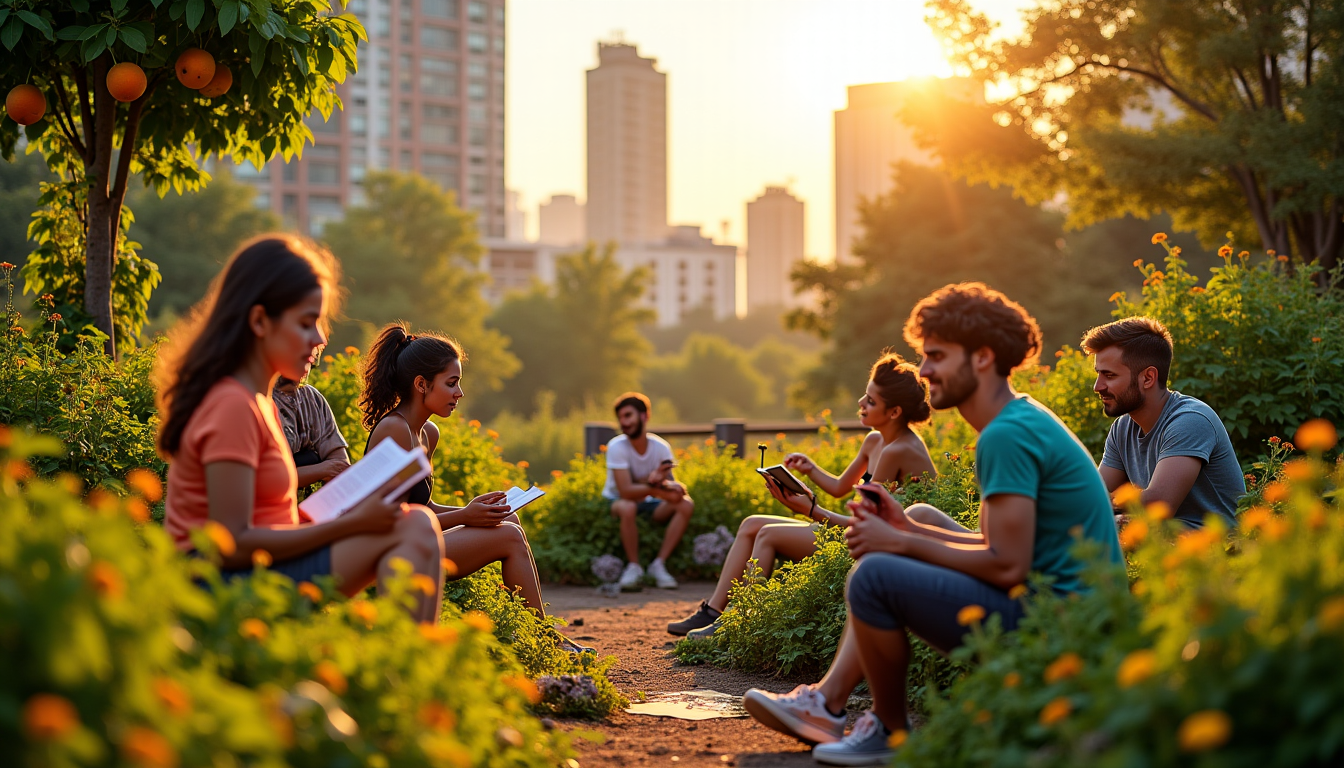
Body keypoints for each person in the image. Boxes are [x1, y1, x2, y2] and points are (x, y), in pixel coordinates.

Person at [746, 283, 1123, 766]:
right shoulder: (1017, 418)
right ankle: (827, 703)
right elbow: (1004, 550)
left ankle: (887, 730)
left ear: (982, 357)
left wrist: (897, 542)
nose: (924, 371)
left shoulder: (1005, 436)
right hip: (1056, 604)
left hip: (1063, 630)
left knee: (873, 577)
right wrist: (906, 529)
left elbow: (1006, 566)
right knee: (919, 515)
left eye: (937, 356)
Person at [156, 235, 444, 624]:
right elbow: (233, 542)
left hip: (263, 566)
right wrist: (350, 523)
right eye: (307, 323)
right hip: (222, 586)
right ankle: (402, 673)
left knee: (416, 523)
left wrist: (337, 512)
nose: (321, 338)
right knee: (415, 529)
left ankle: (408, 668)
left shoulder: (258, 402)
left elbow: (268, 520)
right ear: (259, 321)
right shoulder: (232, 406)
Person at [668, 352, 936, 638]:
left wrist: (811, 510)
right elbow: (839, 487)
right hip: (859, 532)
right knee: (751, 524)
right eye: (864, 395)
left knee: (768, 534)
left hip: (875, 545)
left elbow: (869, 527)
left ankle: (734, 625)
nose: (860, 404)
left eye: (871, 401)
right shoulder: (876, 441)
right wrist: (810, 470)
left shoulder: (899, 450)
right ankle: (713, 612)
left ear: (894, 412)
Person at [360, 323, 591, 653]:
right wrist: (467, 515)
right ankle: (544, 642)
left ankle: (529, 632)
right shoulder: (394, 431)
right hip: (388, 554)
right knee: (508, 536)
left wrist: (476, 511)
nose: (459, 394)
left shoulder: (427, 434)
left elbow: (421, 507)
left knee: (508, 521)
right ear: (421, 384)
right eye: (451, 383)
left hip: (415, 540)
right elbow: (392, 519)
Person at [1082, 317, 1244, 529]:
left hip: (1218, 549)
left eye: (1109, 375)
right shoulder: (1122, 429)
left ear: (1148, 378)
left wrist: (1100, 506)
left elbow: (1159, 504)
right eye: (1098, 374)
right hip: (1163, 545)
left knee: (1100, 530)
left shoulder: (1190, 420)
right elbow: (1093, 493)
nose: (1098, 386)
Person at [602, 393, 695, 590]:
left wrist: (666, 485)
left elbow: (674, 491)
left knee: (686, 504)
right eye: (620, 418)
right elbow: (625, 492)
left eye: (628, 415)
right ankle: (634, 567)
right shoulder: (616, 446)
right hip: (617, 501)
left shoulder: (661, 447)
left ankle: (658, 565)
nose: (623, 422)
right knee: (627, 507)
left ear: (644, 416)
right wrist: (655, 485)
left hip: (649, 503)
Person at [272, 373, 350, 491]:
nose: (311, 356)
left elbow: (340, 465)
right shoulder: (257, 400)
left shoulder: (312, 397)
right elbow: (268, 479)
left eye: (315, 354)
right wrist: (322, 469)